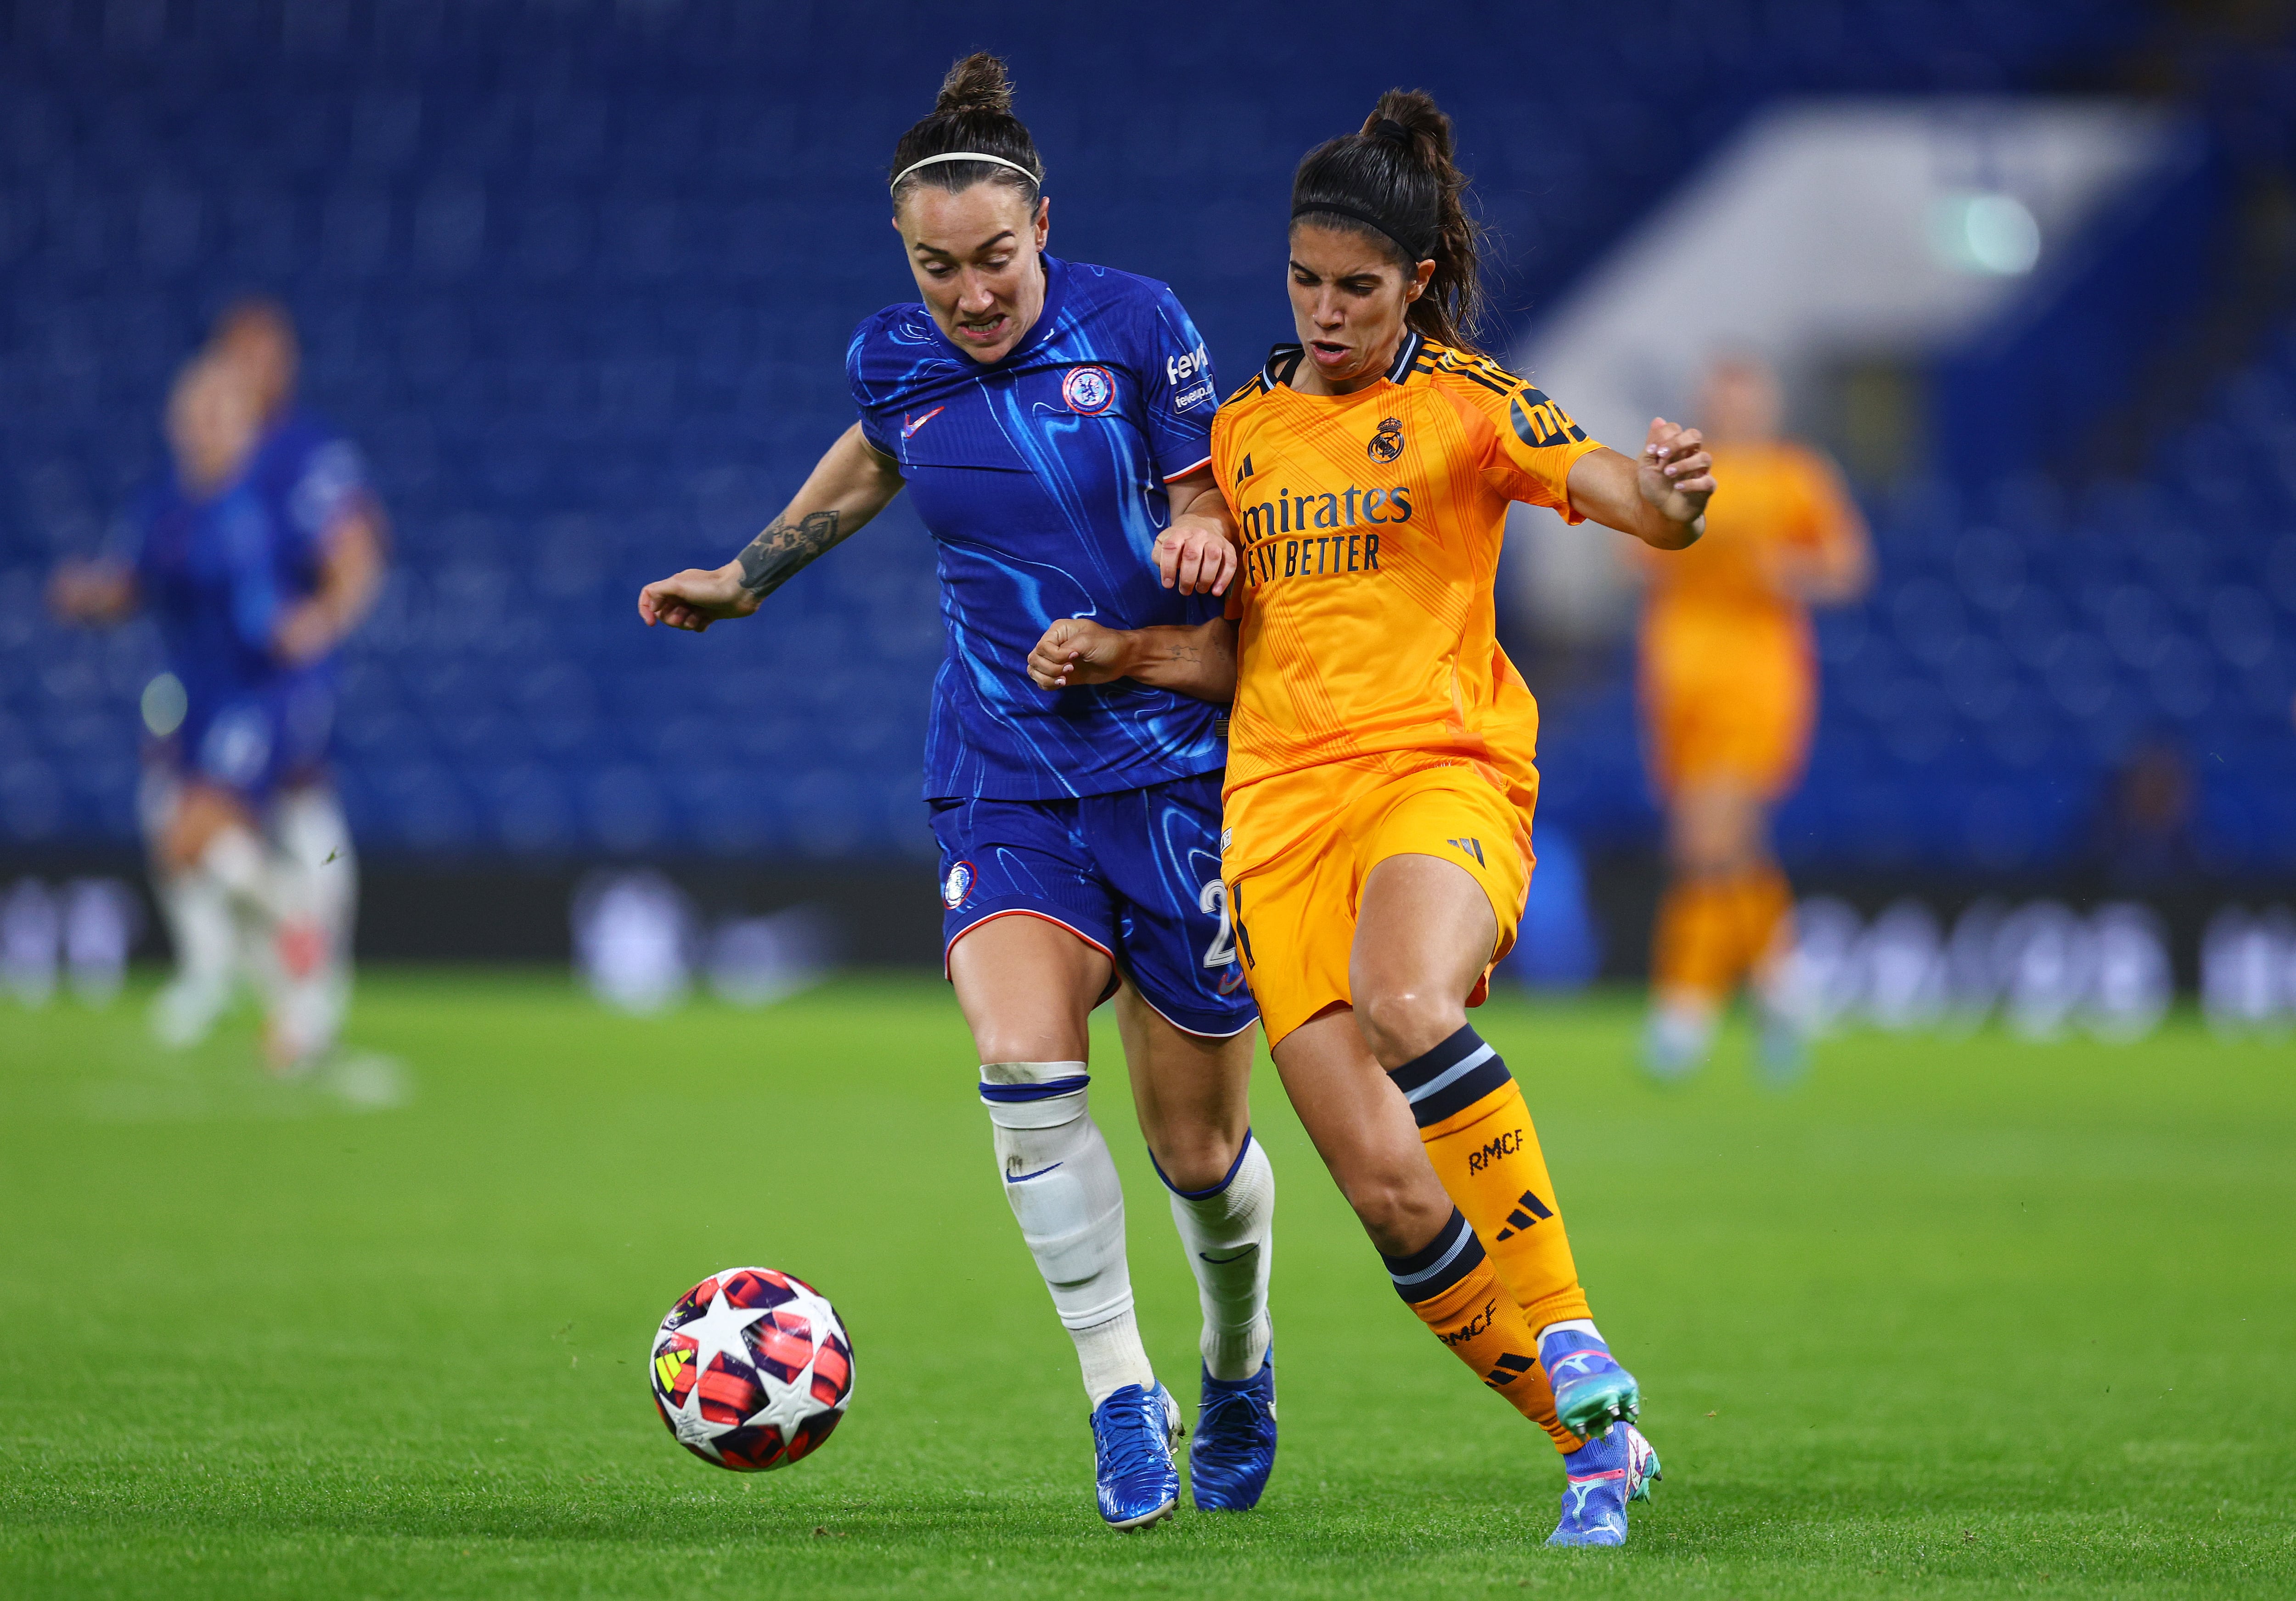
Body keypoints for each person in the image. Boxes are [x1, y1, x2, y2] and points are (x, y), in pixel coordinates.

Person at [1030, 90, 1710, 1546]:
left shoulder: (1470, 406)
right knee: (1390, 1193)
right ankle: (1596, 1443)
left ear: (1415, 281)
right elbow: (1238, 652)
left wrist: (1672, 498)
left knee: (1409, 995)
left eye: (1357, 287)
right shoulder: (1246, 432)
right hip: (1275, 818)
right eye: (1304, 281)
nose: (1326, 311)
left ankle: (1575, 1327)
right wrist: (1129, 645)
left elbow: (1622, 497)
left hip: (1436, 770)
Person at [636, 55, 1274, 1531]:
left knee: (1198, 1149)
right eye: (940, 269)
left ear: (1045, 223)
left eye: (995, 260)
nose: (973, 295)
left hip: (1173, 780)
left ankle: (1237, 1360)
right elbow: (869, 466)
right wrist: (747, 576)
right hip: (1002, 773)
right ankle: (1123, 1396)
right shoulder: (896, 355)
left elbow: (1198, 492)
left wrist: (1191, 538)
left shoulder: (1139, 324)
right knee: (1023, 1069)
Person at [47, 303, 385, 1071]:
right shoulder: (171, 503)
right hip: (199, 691)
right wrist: (91, 596)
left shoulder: (252, 505)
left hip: (258, 692)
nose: (203, 424)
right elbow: (136, 581)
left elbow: (315, 577)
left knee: (201, 832)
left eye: (215, 412)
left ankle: (290, 945)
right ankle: (278, 959)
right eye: (195, 411)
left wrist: (312, 626)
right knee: (188, 838)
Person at [1636, 356, 1869, 1082]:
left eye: (1746, 400)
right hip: (1679, 676)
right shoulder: (1680, 471)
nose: (1735, 412)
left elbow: (1846, 566)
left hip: (1755, 676)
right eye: (1722, 399)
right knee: (1722, 846)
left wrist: (1782, 570)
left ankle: (1685, 1007)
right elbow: (1632, 557)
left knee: (1709, 835)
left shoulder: (1795, 476)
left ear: (1769, 406)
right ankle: (1781, 989)